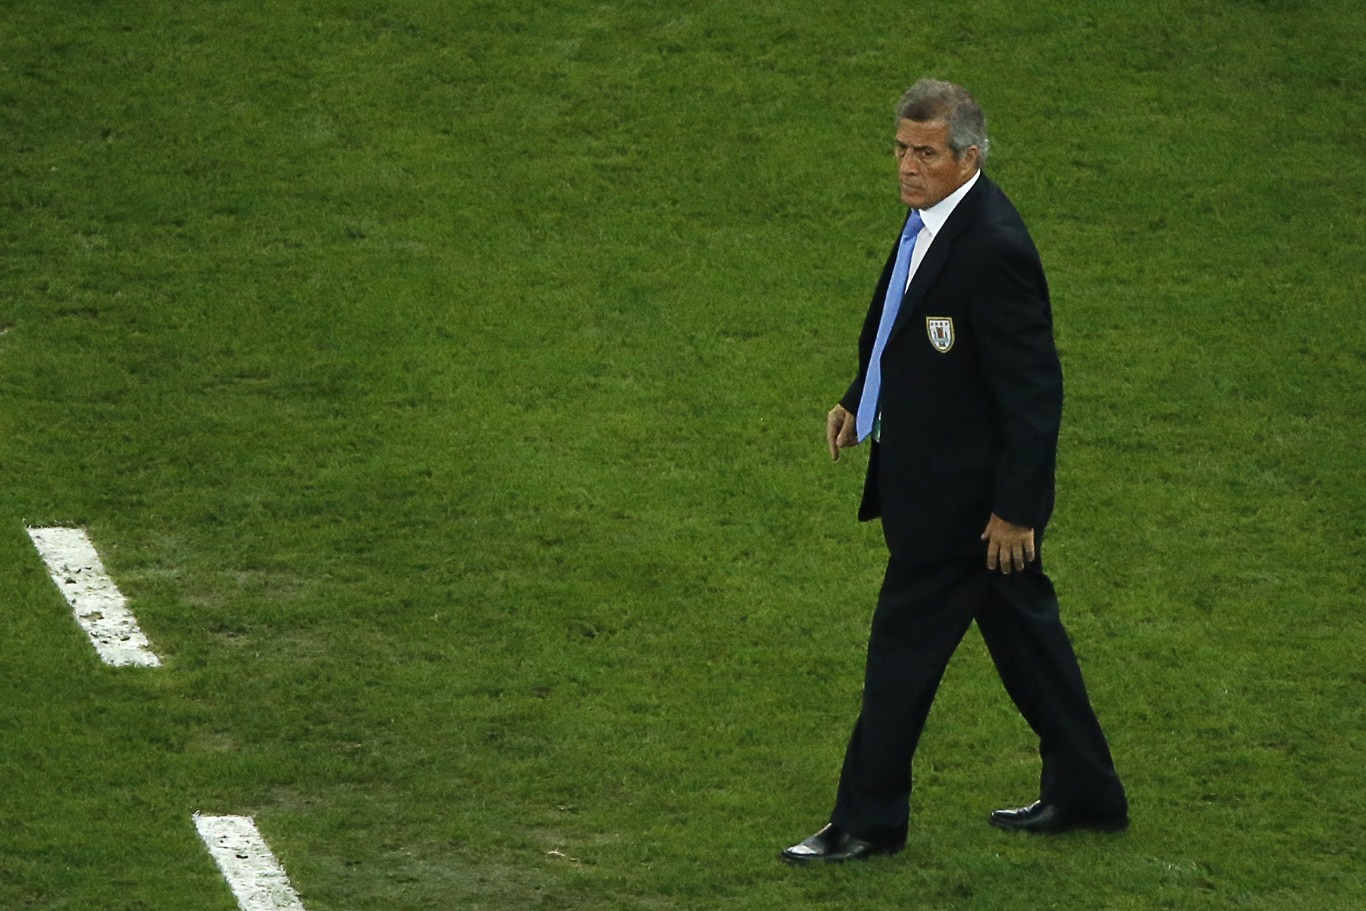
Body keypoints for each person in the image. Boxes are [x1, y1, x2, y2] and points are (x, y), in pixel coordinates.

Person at [781, 79, 1128, 865]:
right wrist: (858, 399)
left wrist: (1015, 510)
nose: (907, 167)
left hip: (964, 510)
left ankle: (867, 821)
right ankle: (1089, 792)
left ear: (968, 157)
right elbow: (902, 329)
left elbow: (1035, 391)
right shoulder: (929, 222)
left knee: (898, 660)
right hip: (944, 491)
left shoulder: (994, 246)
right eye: (901, 149)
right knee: (1029, 642)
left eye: (925, 154)